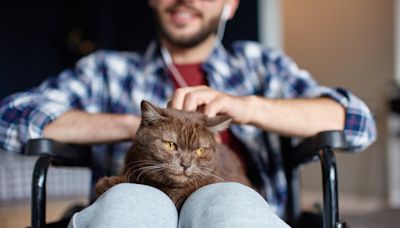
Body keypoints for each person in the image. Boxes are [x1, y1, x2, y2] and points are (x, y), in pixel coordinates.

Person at [0, 0, 376, 227]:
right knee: (131, 203)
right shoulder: (107, 70)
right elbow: (12, 116)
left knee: (230, 205)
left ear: (230, 5)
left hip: (229, 200)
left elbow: (356, 122)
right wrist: (134, 126)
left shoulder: (260, 66)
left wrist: (248, 107)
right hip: (136, 199)